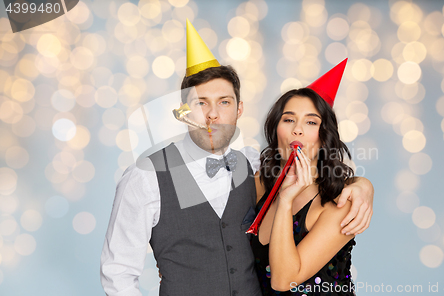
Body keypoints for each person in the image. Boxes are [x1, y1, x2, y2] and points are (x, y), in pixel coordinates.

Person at [100, 20, 372, 296]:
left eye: (224, 102)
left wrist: (363, 186)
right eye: (200, 103)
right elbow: (118, 275)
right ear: (182, 112)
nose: (213, 115)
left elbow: (319, 174)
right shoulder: (145, 177)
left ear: (239, 109)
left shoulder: (253, 166)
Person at [251, 59, 362, 295]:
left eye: (311, 122)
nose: (297, 129)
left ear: (324, 137)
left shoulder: (340, 204)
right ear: (275, 128)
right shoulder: (259, 184)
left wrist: (285, 200)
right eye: (288, 119)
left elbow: (284, 281)